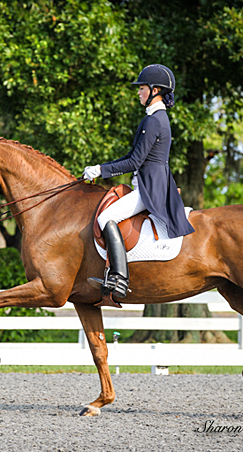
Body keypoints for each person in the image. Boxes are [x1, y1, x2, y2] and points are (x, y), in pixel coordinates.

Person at [84, 64, 195, 300]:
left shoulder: (155, 120)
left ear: (155, 90)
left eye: (142, 88)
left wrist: (100, 169)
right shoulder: (154, 118)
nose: (138, 92)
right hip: (149, 184)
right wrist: (100, 169)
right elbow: (131, 157)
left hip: (150, 189)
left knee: (106, 218)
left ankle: (119, 279)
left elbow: (134, 162)